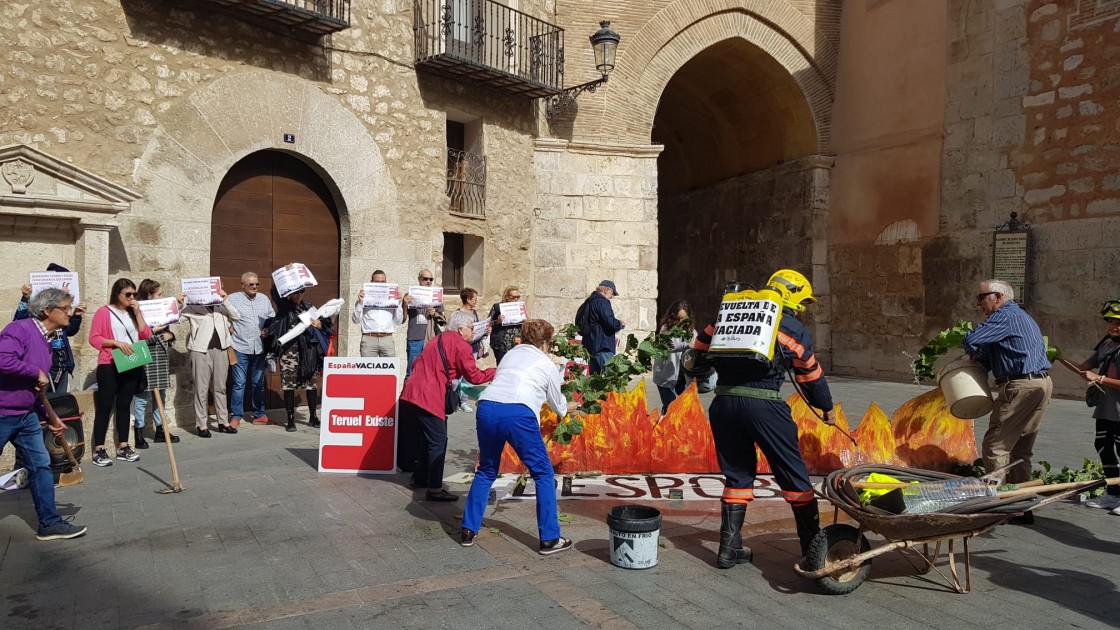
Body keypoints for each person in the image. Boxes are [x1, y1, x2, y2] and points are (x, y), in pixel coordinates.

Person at [689, 270, 835, 569]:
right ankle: (812, 552)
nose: (802, 309)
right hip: (765, 406)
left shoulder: (728, 314)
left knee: (738, 476)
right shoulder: (791, 326)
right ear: (792, 295)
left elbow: (697, 353)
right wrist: (826, 407)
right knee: (794, 476)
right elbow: (810, 374)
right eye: (802, 302)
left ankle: (728, 550)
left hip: (723, 404)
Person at [460, 319, 578, 554]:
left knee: (486, 469)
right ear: (545, 343)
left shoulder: (510, 355)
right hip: (517, 413)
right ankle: (550, 538)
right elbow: (558, 405)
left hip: (487, 407)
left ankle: (467, 529)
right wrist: (571, 407)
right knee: (543, 473)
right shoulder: (546, 364)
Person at [962, 279, 1052, 525]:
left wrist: (971, 349)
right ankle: (1022, 506)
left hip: (1020, 386)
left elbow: (972, 339)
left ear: (998, 297)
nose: (978, 303)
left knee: (996, 446)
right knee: (1021, 447)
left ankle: (997, 505)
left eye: (981, 298)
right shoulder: (1017, 317)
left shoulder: (1004, 316)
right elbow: (991, 354)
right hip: (1040, 383)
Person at [0, 288, 88, 540]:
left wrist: (50, 417)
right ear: (48, 310)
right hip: (3, 412)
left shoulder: (47, 341)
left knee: (41, 466)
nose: (70, 313)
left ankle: (49, 523)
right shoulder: (19, 329)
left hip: (26, 414)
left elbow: (35, 389)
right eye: (66, 308)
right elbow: (2, 359)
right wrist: (33, 371)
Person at [398, 310, 495, 501]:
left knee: (429, 438)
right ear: (461, 329)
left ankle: (420, 477)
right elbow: (474, 376)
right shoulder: (462, 345)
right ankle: (434, 488)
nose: (472, 330)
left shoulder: (439, 338)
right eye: (470, 327)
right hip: (429, 396)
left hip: (412, 392)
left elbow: (419, 361)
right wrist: (497, 371)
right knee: (438, 440)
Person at [88, 278, 152, 466]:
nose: (131, 298)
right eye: (128, 295)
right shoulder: (104, 312)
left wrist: (138, 312)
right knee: (105, 405)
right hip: (110, 362)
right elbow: (94, 338)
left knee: (125, 404)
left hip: (131, 362)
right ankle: (99, 448)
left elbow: (145, 334)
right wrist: (115, 342)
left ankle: (123, 446)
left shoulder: (133, 313)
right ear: (117, 294)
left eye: (134, 294)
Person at [1064, 300, 1120, 512]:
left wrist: (1100, 379)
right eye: (1110, 322)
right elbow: (1084, 368)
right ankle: (1113, 494)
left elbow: (1098, 376)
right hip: (1105, 409)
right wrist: (1057, 356)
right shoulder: (1107, 345)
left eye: (1118, 323)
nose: (1113, 327)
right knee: (1104, 447)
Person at [13, 263, 86, 394]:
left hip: (62, 367)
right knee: (42, 404)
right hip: (44, 369)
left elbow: (70, 331)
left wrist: (76, 315)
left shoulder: (60, 317)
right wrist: (25, 298)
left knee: (58, 405)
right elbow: (18, 323)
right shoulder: (39, 314)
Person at [268, 286, 332, 432]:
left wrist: (319, 324)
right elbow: (274, 291)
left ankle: (313, 416)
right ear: (289, 293)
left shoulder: (308, 306)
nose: (299, 295)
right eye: (296, 292)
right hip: (289, 351)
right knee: (289, 385)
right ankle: (290, 419)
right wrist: (287, 274)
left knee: (311, 384)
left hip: (308, 351)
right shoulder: (283, 306)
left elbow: (326, 322)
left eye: (302, 292)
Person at [182, 288, 241, 437]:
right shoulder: (193, 306)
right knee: (201, 389)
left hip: (221, 349)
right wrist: (179, 303)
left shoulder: (221, 305)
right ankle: (201, 424)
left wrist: (225, 299)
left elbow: (237, 316)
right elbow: (176, 319)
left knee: (220, 387)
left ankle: (223, 422)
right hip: (200, 350)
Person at [131, 279, 182, 448]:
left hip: (160, 357)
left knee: (160, 396)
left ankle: (161, 429)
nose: (161, 297)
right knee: (142, 397)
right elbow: (139, 336)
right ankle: (138, 432)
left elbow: (169, 330)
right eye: (159, 294)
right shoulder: (136, 313)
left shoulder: (159, 312)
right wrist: (161, 335)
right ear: (149, 295)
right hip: (146, 357)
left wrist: (171, 335)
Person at [226, 272, 275, 426]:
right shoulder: (232, 299)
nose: (255, 287)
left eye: (257, 284)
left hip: (259, 348)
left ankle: (259, 415)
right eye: (251, 284)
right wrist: (229, 325)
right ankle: (236, 416)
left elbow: (271, 317)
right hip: (240, 346)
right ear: (243, 284)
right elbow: (222, 314)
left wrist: (268, 328)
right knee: (239, 383)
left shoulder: (264, 299)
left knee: (258, 383)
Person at [651, 300, 694, 414]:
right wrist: (686, 345)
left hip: (682, 378)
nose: (680, 322)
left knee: (681, 409)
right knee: (670, 407)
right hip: (665, 376)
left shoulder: (691, 331)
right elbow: (668, 345)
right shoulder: (665, 330)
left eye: (683, 319)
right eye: (677, 319)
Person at [575, 280, 625, 374]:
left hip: (591, 347)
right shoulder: (602, 302)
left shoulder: (589, 301)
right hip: (602, 346)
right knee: (610, 378)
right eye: (612, 293)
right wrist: (620, 324)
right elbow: (610, 321)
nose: (612, 297)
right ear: (606, 290)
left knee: (596, 382)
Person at [403, 268, 445, 378]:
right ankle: (407, 395)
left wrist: (434, 313)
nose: (428, 282)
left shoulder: (436, 296)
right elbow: (402, 319)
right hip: (415, 338)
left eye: (431, 279)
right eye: (425, 279)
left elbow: (443, 320)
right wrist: (404, 304)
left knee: (429, 372)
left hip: (431, 339)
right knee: (412, 372)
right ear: (419, 279)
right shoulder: (410, 295)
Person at [352, 269, 403, 358]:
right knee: (368, 371)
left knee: (389, 370)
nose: (380, 284)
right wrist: (360, 303)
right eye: (377, 282)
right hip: (369, 339)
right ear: (371, 282)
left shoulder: (392, 299)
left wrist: (398, 303)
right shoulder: (364, 299)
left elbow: (398, 321)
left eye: (383, 282)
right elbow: (356, 320)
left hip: (387, 338)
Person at [452, 287, 487, 413]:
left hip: (473, 348)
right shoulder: (457, 314)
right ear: (468, 299)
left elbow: (478, 330)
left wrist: (485, 332)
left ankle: (464, 401)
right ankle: (453, 400)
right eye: (474, 299)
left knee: (469, 376)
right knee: (457, 376)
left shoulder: (475, 313)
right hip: (460, 349)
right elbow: (451, 331)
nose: (476, 302)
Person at [487, 285, 525, 365]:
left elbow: (526, 324)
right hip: (501, 344)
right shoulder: (497, 307)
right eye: (513, 297)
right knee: (502, 366)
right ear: (507, 297)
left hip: (515, 343)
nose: (516, 299)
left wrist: (525, 318)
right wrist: (498, 321)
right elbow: (488, 323)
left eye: (518, 297)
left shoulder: (520, 307)